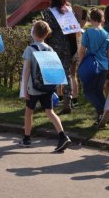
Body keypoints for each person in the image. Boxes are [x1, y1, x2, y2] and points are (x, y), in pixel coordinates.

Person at [19, 20, 72, 152]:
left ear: (33, 32)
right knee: (50, 112)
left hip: (33, 88)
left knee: (29, 112)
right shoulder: (50, 49)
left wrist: (24, 88)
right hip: (47, 87)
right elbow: (55, 69)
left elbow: (26, 70)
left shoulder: (30, 49)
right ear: (46, 34)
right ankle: (62, 136)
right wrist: (58, 87)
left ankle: (26, 138)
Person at [42, 0, 77, 113]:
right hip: (68, 45)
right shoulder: (68, 9)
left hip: (54, 46)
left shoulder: (48, 11)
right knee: (67, 74)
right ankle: (67, 102)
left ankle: (49, 101)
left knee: (51, 74)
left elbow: (49, 31)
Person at [78, 8, 109, 123]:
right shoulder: (108, 35)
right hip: (104, 67)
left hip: (91, 67)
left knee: (88, 92)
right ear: (102, 19)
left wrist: (81, 63)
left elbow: (82, 51)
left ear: (90, 19)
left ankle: (103, 111)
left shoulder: (88, 33)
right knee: (98, 91)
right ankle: (105, 115)